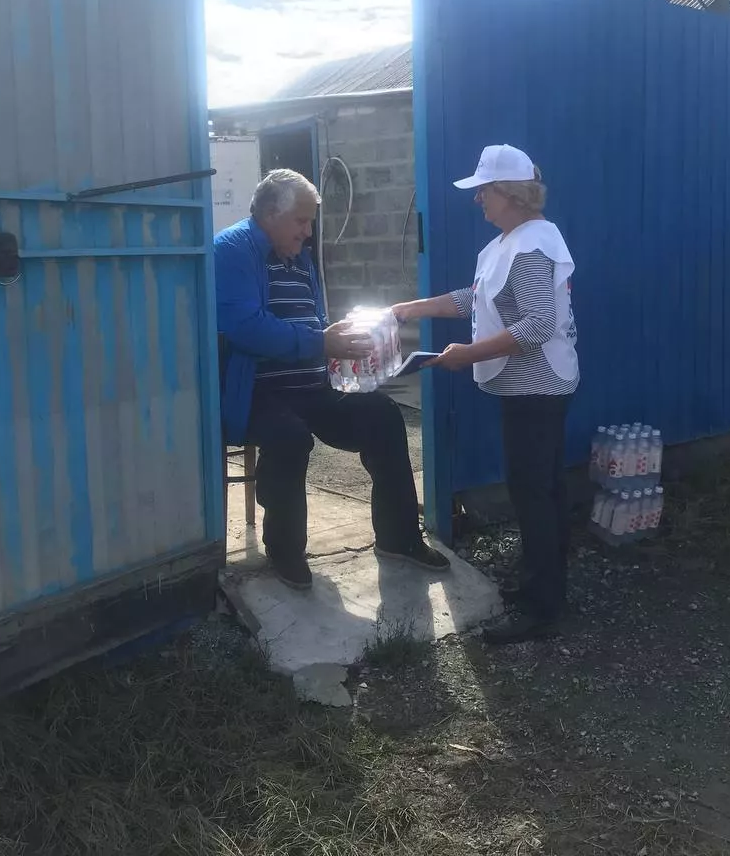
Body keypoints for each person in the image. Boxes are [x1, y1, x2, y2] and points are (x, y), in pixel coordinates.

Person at [215, 168, 449, 590]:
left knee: (382, 415)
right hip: (258, 391)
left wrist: (347, 346)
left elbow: (313, 325)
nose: (308, 233)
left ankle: (399, 538)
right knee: (289, 437)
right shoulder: (232, 250)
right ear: (270, 214)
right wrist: (321, 342)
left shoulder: (298, 257)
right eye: (301, 221)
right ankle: (285, 551)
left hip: (312, 386)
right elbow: (244, 327)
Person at [394, 145, 578, 644]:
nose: (478, 199)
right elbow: (474, 300)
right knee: (543, 488)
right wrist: (412, 308)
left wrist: (466, 354)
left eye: (484, 191)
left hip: (537, 386)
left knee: (533, 492)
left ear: (511, 193)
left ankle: (541, 606)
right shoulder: (510, 243)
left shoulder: (531, 246)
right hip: (530, 385)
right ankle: (547, 584)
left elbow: (537, 326)